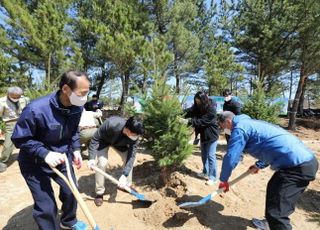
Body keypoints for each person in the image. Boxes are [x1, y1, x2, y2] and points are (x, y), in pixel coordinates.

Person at [11, 70, 90, 230]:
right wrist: (44, 153)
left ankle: (68, 221)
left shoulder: (77, 108)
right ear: (66, 89)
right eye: (83, 93)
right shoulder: (36, 109)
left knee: (71, 191)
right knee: (46, 207)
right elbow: (20, 138)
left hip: (61, 156)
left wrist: (75, 149)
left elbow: (73, 131)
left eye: (87, 93)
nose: (85, 97)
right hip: (34, 162)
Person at [217, 111, 318, 230]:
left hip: (296, 166)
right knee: (275, 192)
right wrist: (258, 165)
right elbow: (270, 146)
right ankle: (269, 223)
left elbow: (231, 157)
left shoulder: (240, 128)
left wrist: (223, 180)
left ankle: (273, 222)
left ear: (228, 122)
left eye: (223, 127)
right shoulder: (250, 123)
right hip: (303, 162)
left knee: (277, 214)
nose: (224, 131)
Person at [87, 116, 144, 207]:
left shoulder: (135, 136)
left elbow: (131, 155)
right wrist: (91, 158)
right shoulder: (111, 123)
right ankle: (99, 192)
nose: (136, 137)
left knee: (128, 159)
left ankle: (126, 185)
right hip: (104, 141)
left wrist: (125, 175)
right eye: (134, 135)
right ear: (127, 130)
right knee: (102, 163)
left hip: (120, 144)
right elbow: (95, 139)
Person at [184, 91, 220, 186]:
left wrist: (187, 122)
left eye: (199, 101)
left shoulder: (211, 108)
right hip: (203, 135)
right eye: (196, 101)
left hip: (212, 135)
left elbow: (202, 121)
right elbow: (189, 111)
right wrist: (179, 113)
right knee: (204, 155)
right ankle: (205, 172)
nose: (197, 103)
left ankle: (213, 177)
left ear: (203, 100)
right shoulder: (197, 107)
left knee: (211, 155)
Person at [0, 86, 29, 172]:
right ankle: (3, 161)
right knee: (8, 144)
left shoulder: (25, 99)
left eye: (18, 97)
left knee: (28, 140)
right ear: (8, 94)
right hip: (10, 123)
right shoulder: (2, 102)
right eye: (14, 97)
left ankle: (29, 158)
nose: (16, 98)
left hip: (23, 121)